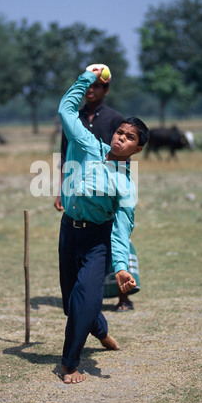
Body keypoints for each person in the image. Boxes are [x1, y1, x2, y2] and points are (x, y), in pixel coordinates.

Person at [57, 67, 149, 383]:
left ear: (138, 149)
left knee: (85, 297)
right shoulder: (85, 143)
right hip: (69, 231)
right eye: (120, 132)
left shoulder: (126, 186)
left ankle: (70, 364)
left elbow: (122, 232)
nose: (121, 137)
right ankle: (101, 329)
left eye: (130, 138)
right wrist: (85, 77)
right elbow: (65, 109)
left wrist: (122, 267)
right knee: (72, 303)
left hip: (98, 241)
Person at [54, 71, 137, 312]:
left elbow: (125, 157)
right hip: (81, 189)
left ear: (106, 90)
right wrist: (62, 189)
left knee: (120, 241)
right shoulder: (76, 117)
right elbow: (65, 155)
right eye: (90, 85)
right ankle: (88, 304)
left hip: (111, 187)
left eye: (98, 86)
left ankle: (124, 296)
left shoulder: (115, 118)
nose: (92, 89)